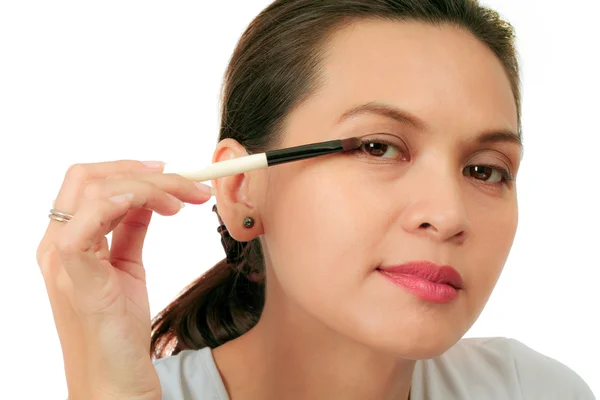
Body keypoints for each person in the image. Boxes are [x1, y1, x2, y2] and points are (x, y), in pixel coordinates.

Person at [37, 0, 596, 399]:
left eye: (485, 169)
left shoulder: (532, 390)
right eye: (378, 147)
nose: (448, 215)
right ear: (240, 187)